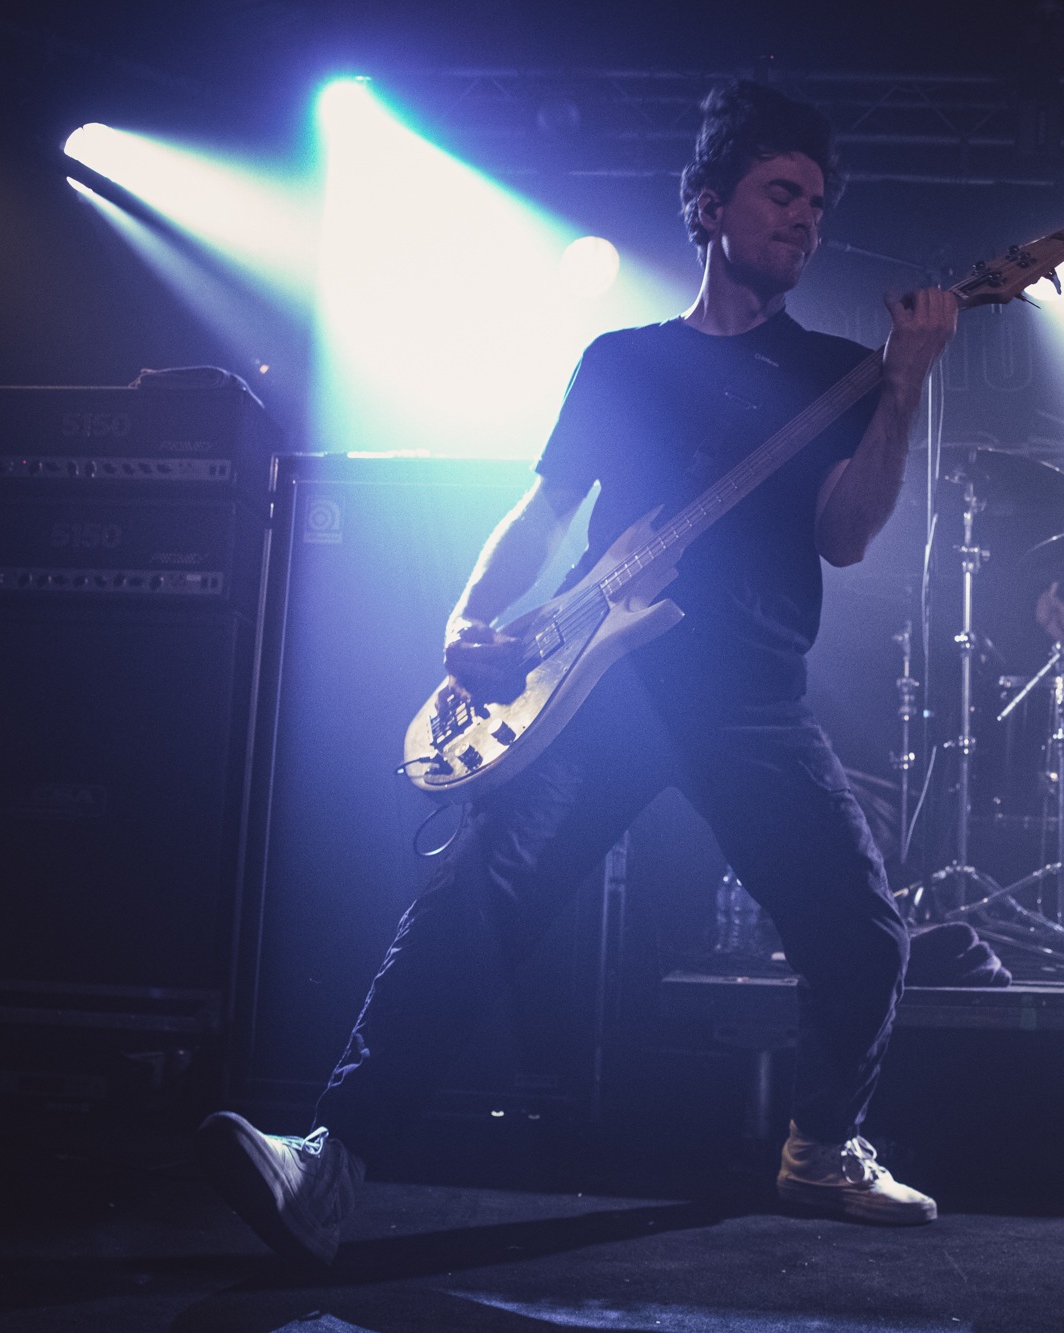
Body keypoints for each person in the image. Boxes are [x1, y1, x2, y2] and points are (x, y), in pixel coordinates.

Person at [196, 80, 959, 1265]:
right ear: (705, 206)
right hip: (607, 691)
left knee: (863, 935)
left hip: (749, 701)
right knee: (473, 903)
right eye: (778, 192)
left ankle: (819, 1150)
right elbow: (548, 508)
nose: (803, 218)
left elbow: (847, 534)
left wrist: (904, 383)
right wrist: (470, 613)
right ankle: (326, 1165)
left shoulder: (832, 371)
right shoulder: (623, 362)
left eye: (816, 203)